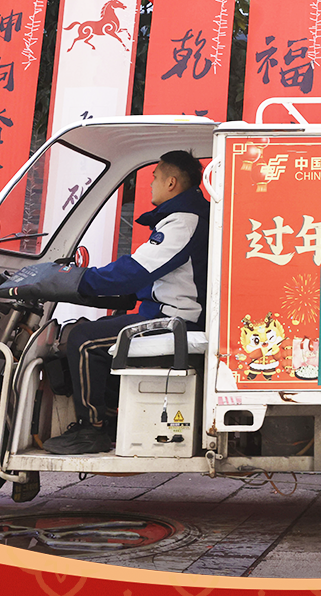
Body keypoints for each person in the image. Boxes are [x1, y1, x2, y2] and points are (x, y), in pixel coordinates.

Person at [43, 150, 209, 454]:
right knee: (98, 329)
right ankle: (109, 418)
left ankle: (91, 429)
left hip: (177, 321)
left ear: (171, 182)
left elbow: (135, 270)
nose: (151, 184)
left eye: (155, 177)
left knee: (83, 339)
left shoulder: (183, 221)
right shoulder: (184, 217)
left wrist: (76, 279)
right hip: (170, 314)